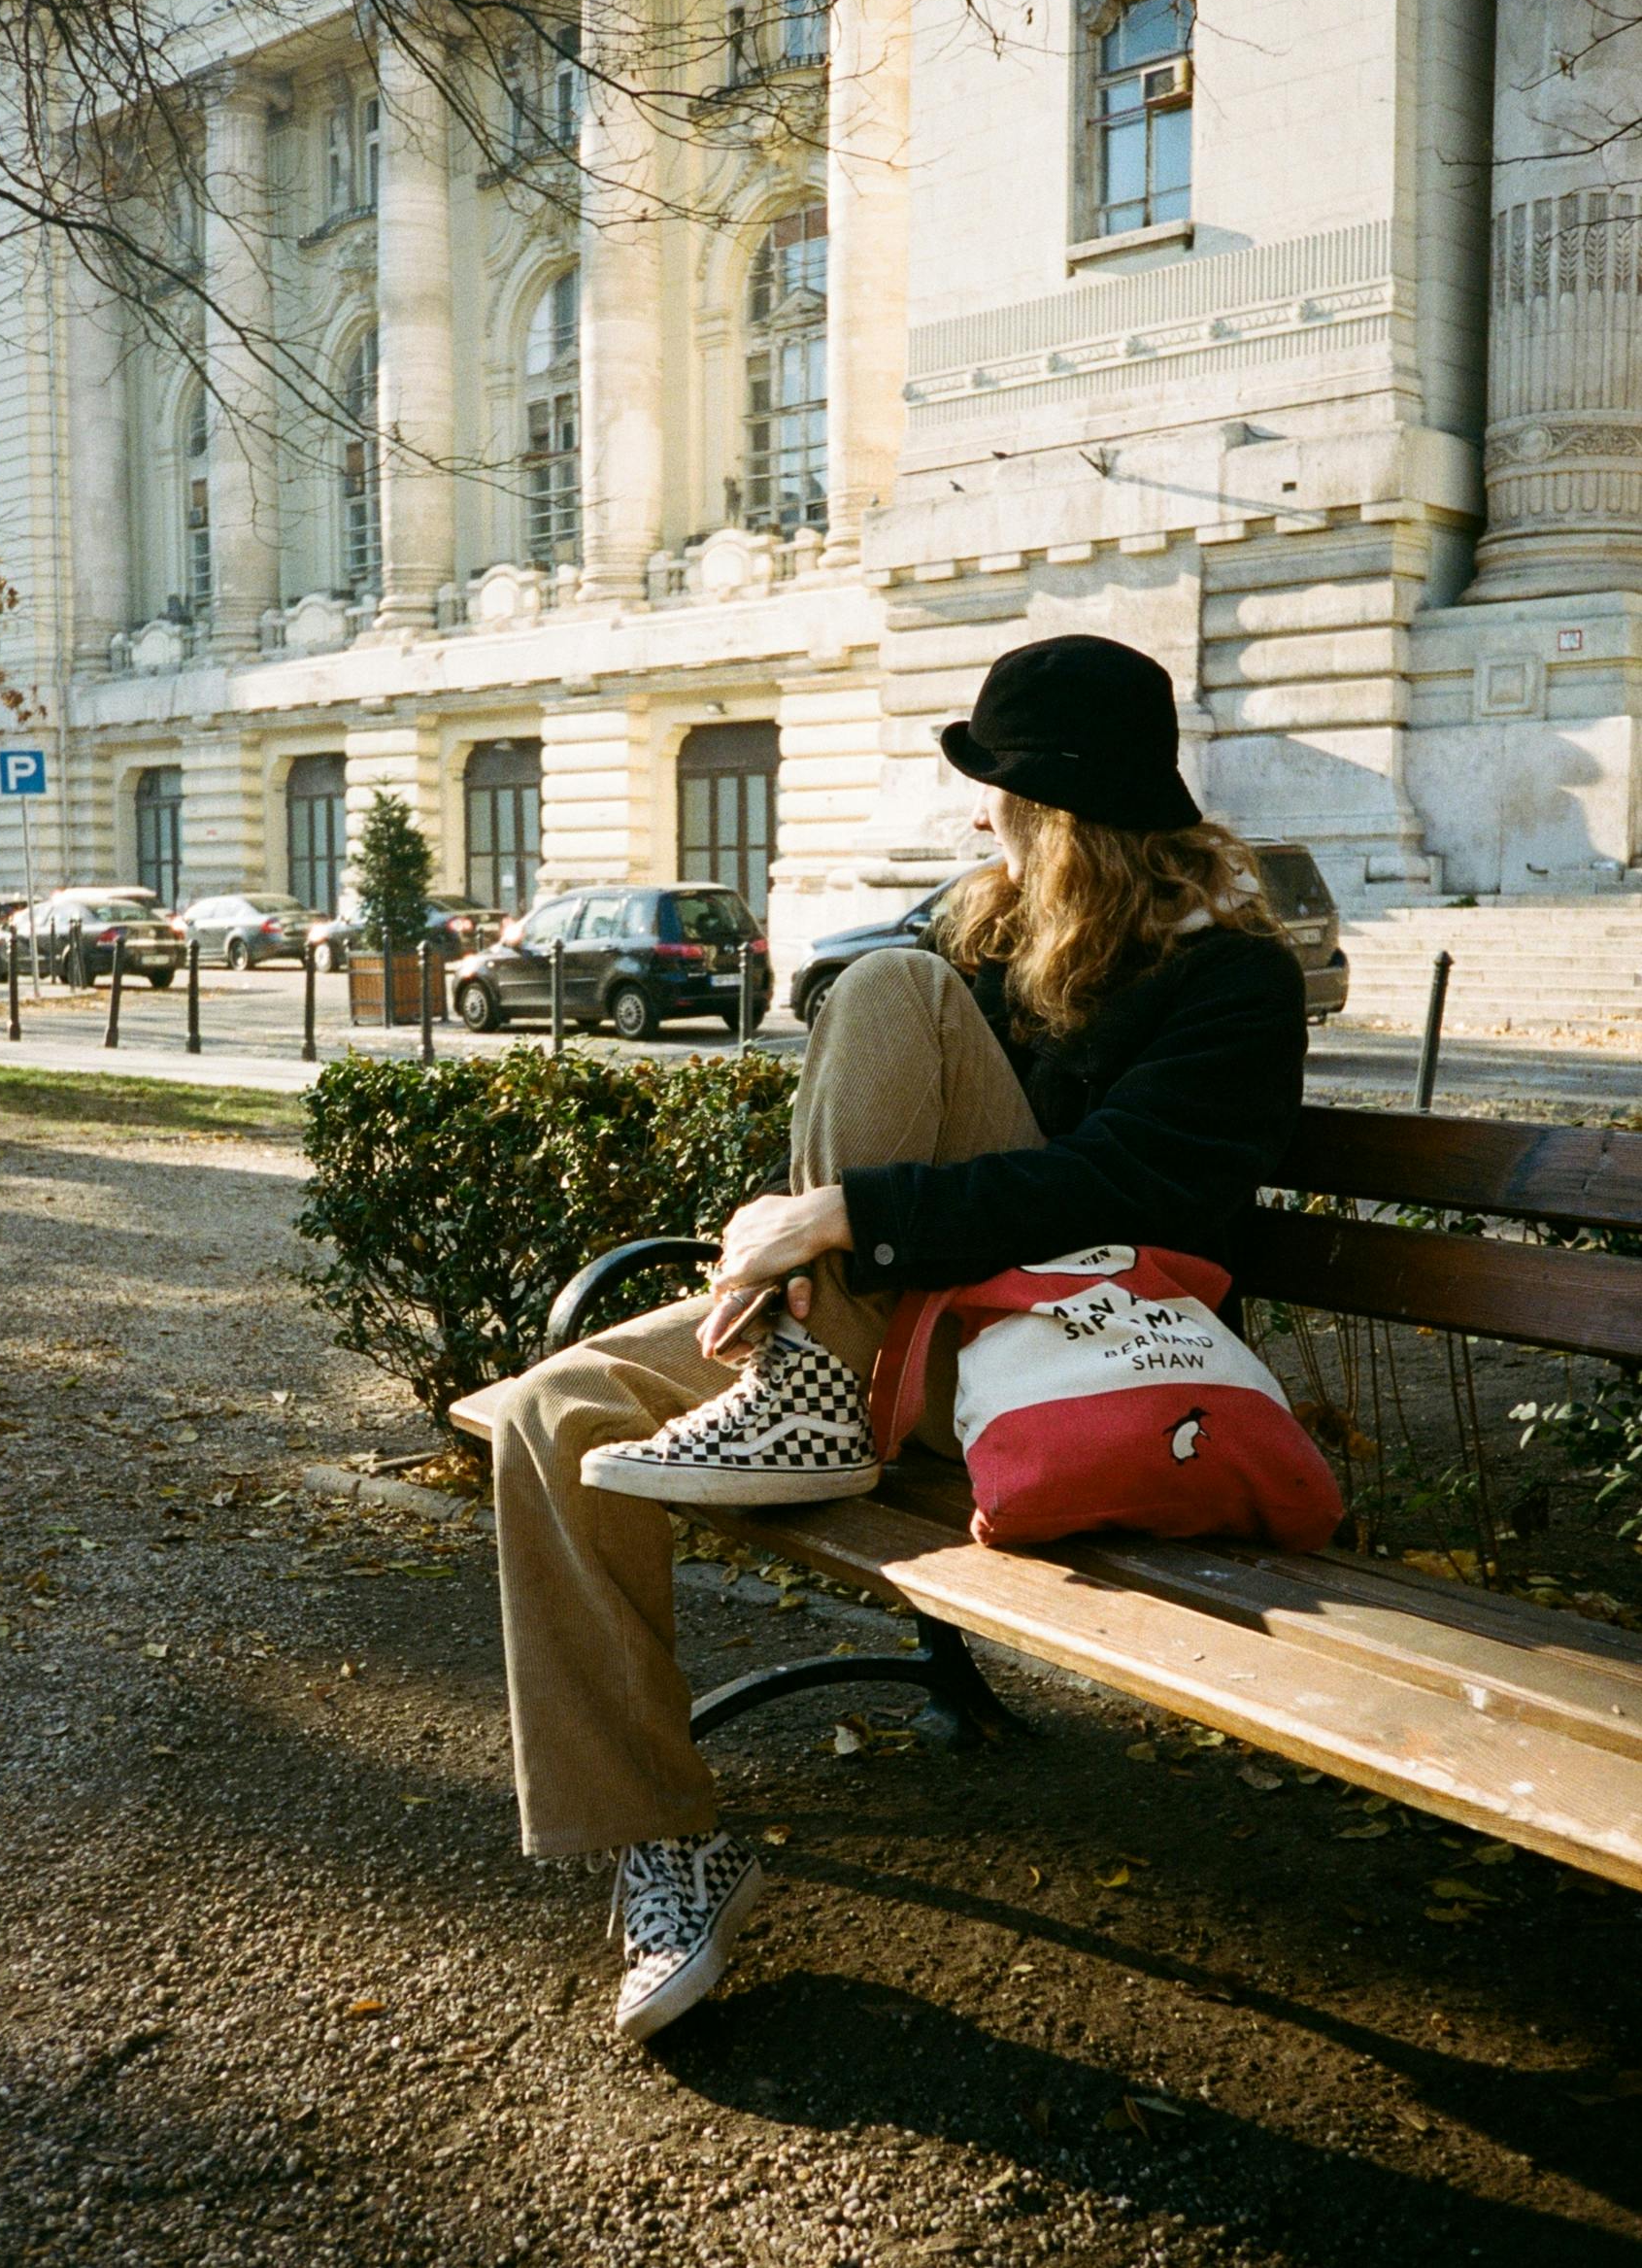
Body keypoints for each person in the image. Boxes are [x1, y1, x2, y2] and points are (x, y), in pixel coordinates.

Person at [477, 633, 1307, 2043]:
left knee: (883, 987)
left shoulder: (1233, 983)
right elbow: (883, 1126)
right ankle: (669, 1843)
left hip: (1055, 1364)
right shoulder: (989, 935)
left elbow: (1118, 1188)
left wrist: (842, 1212)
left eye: (1004, 795)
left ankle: (806, 1379)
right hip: (896, 1343)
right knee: (549, 1416)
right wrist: (802, 1225)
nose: (981, 817)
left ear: (1061, 813)